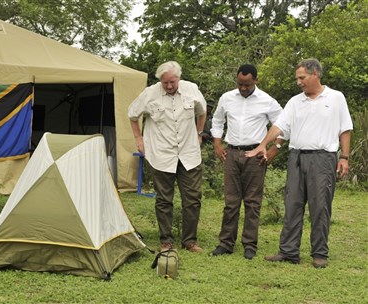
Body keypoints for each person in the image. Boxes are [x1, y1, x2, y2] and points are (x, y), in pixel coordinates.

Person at [246, 58, 353, 268]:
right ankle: (288, 251)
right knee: (292, 204)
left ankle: (320, 253)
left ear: (315, 75)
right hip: (297, 157)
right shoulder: (295, 102)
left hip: (323, 158)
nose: (299, 82)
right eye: (297, 78)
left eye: (302, 77)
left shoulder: (336, 98)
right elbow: (279, 126)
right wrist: (263, 144)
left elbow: (345, 129)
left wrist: (344, 157)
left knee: (320, 206)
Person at [128, 61, 207, 253]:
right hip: (161, 153)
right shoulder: (150, 93)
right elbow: (132, 114)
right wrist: (139, 138)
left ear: (179, 77)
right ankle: (166, 241)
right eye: (165, 83)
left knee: (193, 198)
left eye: (172, 82)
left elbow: (202, 111)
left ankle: (190, 241)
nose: (169, 86)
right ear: (160, 81)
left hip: (188, 153)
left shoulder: (191, 89)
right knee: (164, 199)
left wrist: (199, 133)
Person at [209, 64, 284, 260]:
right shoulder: (227, 98)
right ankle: (226, 243)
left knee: (252, 202)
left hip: (255, 155)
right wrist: (217, 144)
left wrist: (275, 149)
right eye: (240, 84)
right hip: (232, 154)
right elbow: (217, 121)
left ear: (256, 81)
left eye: (247, 85)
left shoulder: (267, 101)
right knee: (231, 202)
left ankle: (250, 244)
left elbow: (283, 125)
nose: (243, 88)